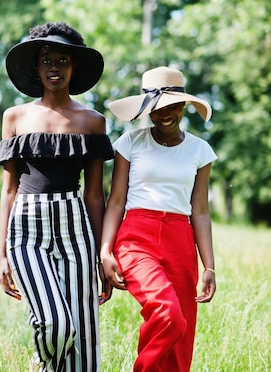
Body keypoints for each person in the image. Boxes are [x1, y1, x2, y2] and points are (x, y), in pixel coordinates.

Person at [0, 21, 114, 372]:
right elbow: (9, 189)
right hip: (27, 228)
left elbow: (95, 194)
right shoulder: (15, 117)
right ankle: (42, 364)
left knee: (84, 336)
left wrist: (101, 253)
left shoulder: (92, 121)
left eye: (63, 61)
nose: (54, 68)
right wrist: (2, 253)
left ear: (73, 67)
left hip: (75, 225)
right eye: (47, 60)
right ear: (36, 66)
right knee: (56, 323)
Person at [100, 66, 217, 372]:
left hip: (181, 240)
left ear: (184, 105)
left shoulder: (200, 149)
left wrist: (210, 266)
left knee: (181, 337)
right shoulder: (131, 142)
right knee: (168, 314)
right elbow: (116, 201)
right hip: (137, 238)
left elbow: (201, 211)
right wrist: (105, 250)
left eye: (172, 106)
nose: (164, 114)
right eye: (156, 108)